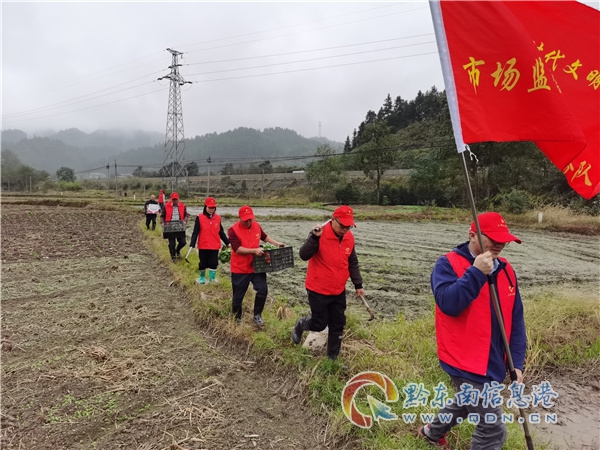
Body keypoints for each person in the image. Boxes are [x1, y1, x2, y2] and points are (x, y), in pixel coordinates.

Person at [419, 212, 526, 449]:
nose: (499, 244)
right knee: (492, 427)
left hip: (493, 359)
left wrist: (517, 363)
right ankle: (433, 433)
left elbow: (516, 319)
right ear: (472, 235)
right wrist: (476, 273)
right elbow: (449, 304)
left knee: (465, 402)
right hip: (463, 359)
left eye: (504, 239)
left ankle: (430, 432)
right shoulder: (447, 264)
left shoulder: (506, 269)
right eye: (493, 238)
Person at [291, 205, 365, 361]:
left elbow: (352, 262)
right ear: (333, 219)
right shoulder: (319, 234)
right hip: (318, 288)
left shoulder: (349, 237)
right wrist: (314, 238)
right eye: (342, 225)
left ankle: (332, 358)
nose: (345, 229)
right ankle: (301, 324)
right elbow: (303, 255)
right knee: (319, 324)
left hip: (338, 290)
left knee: (338, 324)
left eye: (349, 226)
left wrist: (358, 285)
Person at [227, 205, 285, 326]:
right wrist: (254, 250)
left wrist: (276, 243)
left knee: (263, 290)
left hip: (256, 266)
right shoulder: (233, 230)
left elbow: (264, 237)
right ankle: (237, 317)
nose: (248, 222)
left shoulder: (256, 226)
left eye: (250, 219)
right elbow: (237, 249)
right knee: (238, 296)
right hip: (240, 268)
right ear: (239, 218)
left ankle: (257, 315)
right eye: (245, 220)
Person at [189, 197, 230, 284]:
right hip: (203, 245)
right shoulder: (200, 217)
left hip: (215, 245)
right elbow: (195, 232)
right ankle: (202, 277)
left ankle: (212, 279)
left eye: (213, 208)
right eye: (210, 207)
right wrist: (192, 243)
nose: (211, 210)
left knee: (214, 263)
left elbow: (221, 232)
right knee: (203, 263)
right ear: (205, 207)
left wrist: (227, 243)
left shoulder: (218, 218)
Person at [160, 192, 189, 263]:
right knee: (172, 243)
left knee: (183, 242)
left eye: (176, 199)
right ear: (171, 199)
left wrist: (185, 221)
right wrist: (162, 223)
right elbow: (162, 216)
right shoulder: (166, 206)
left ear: (178, 199)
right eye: (173, 199)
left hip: (180, 226)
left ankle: (177, 251)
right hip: (170, 226)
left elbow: (186, 215)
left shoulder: (183, 206)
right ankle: (173, 256)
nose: (175, 201)